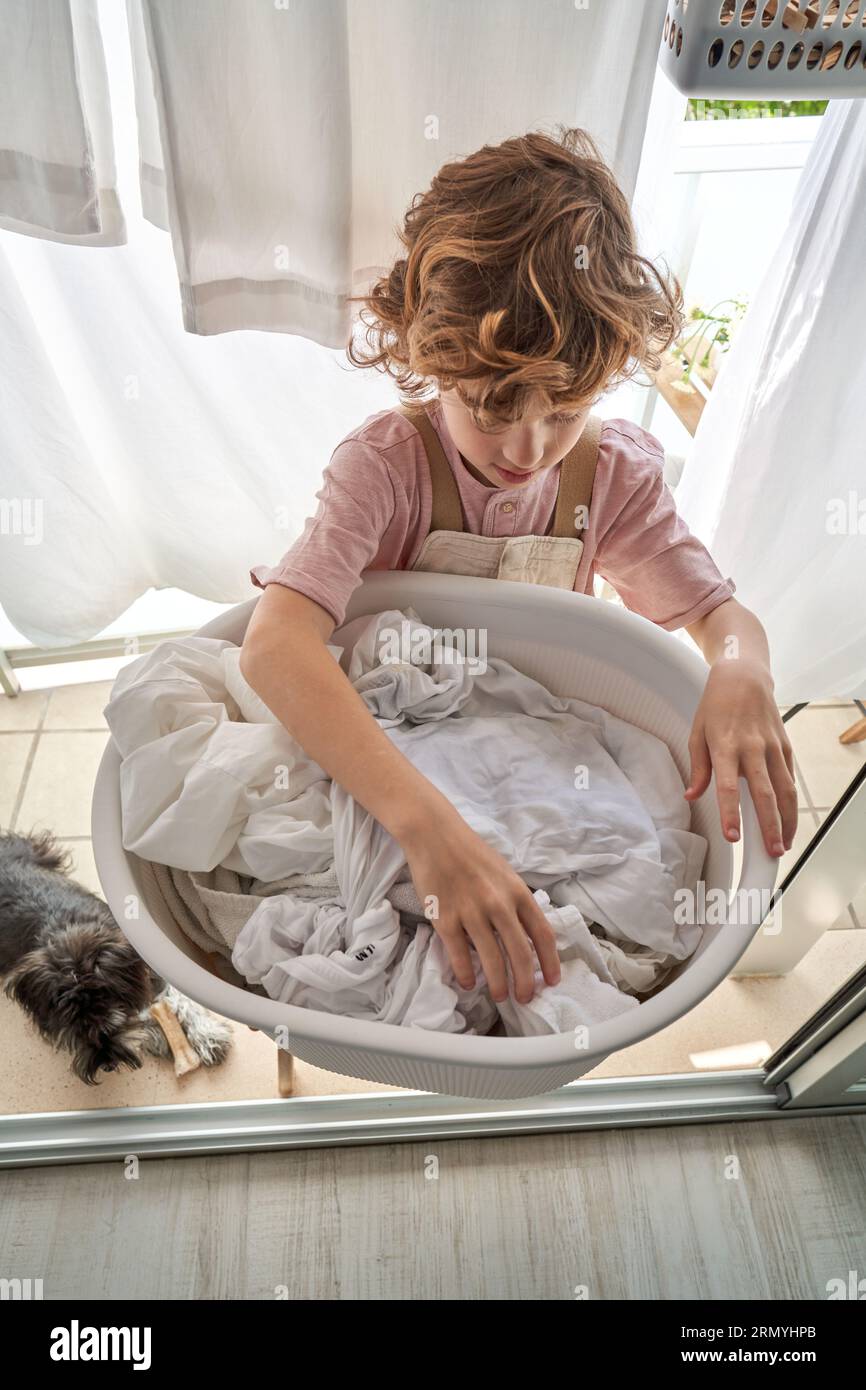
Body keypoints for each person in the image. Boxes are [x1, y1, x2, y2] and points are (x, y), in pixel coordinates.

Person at [240, 127, 797, 1007]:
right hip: (392, 759)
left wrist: (740, 668)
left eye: (566, 410)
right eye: (493, 406)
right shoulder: (386, 469)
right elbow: (275, 647)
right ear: (430, 353)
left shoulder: (609, 479)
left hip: (526, 755)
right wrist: (430, 830)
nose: (527, 448)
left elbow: (722, 621)